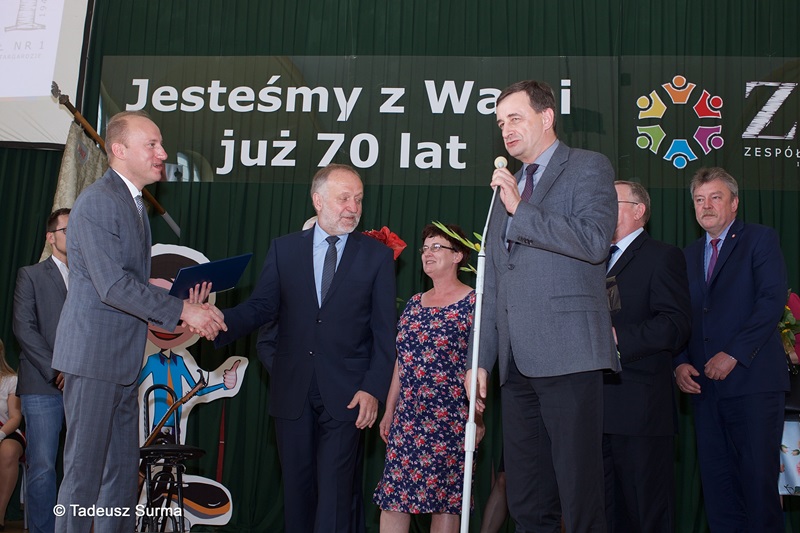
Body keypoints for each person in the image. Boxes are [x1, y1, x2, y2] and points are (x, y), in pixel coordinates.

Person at [51, 110, 226, 533]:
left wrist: (185, 303)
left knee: (121, 474)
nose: (162, 153)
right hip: (94, 360)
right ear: (119, 149)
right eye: (152, 144)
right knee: (83, 477)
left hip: (123, 363)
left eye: (160, 144)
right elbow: (113, 286)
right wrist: (184, 312)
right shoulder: (99, 202)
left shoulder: (133, 205)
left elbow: (132, 282)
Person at [466, 79, 619, 532]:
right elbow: (494, 282)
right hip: (516, 367)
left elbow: (594, 241)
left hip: (569, 355)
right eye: (500, 123)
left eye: (515, 118)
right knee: (527, 500)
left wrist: (522, 210)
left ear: (547, 117)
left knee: (579, 495)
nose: (506, 130)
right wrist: (481, 360)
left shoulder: (588, 167)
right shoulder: (507, 188)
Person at [214, 163, 397, 533]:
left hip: (348, 394)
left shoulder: (375, 256)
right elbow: (261, 308)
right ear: (318, 200)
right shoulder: (284, 250)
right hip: (292, 389)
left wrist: (372, 389)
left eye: (359, 199)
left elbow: (384, 332)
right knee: (297, 493)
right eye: (344, 198)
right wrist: (217, 321)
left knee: (335, 495)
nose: (353, 208)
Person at [675, 167, 788, 532]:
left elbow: (770, 302)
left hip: (753, 385)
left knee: (757, 487)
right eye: (699, 199)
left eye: (715, 197)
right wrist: (680, 363)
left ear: (734, 203)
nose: (706, 206)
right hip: (705, 392)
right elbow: (679, 316)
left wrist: (733, 354)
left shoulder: (760, 239)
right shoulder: (687, 255)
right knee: (719, 489)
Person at [373, 223, 477, 532]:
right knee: (394, 498)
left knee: (446, 502)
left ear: (458, 255)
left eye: (436, 247)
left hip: (450, 420)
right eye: (425, 249)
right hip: (408, 420)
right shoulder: (414, 304)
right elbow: (401, 361)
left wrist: (478, 419)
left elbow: (480, 365)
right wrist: (389, 410)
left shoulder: (474, 302)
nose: (427, 254)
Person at [603, 181, 691, 532]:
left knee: (646, 515)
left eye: (611, 201)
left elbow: (675, 324)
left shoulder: (662, 256)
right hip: (596, 412)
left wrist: (617, 339)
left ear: (638, 210)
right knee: (604, 516)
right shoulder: (593, 259)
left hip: (641, 412)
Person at [11, 208, 70, 533]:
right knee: (43, 466)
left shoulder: (91, 279)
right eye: (67, 231)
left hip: (82, 385)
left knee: (80, 468)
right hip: (42, 385)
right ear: (50, 237)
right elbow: (24, 328)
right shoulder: (30, 275)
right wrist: (56, 368)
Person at [0, 339, 25, 532]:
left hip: (7, 432)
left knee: (8, 451)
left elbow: (15, 417)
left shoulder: (11, 380)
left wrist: (0, 434)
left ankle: (0, 514)